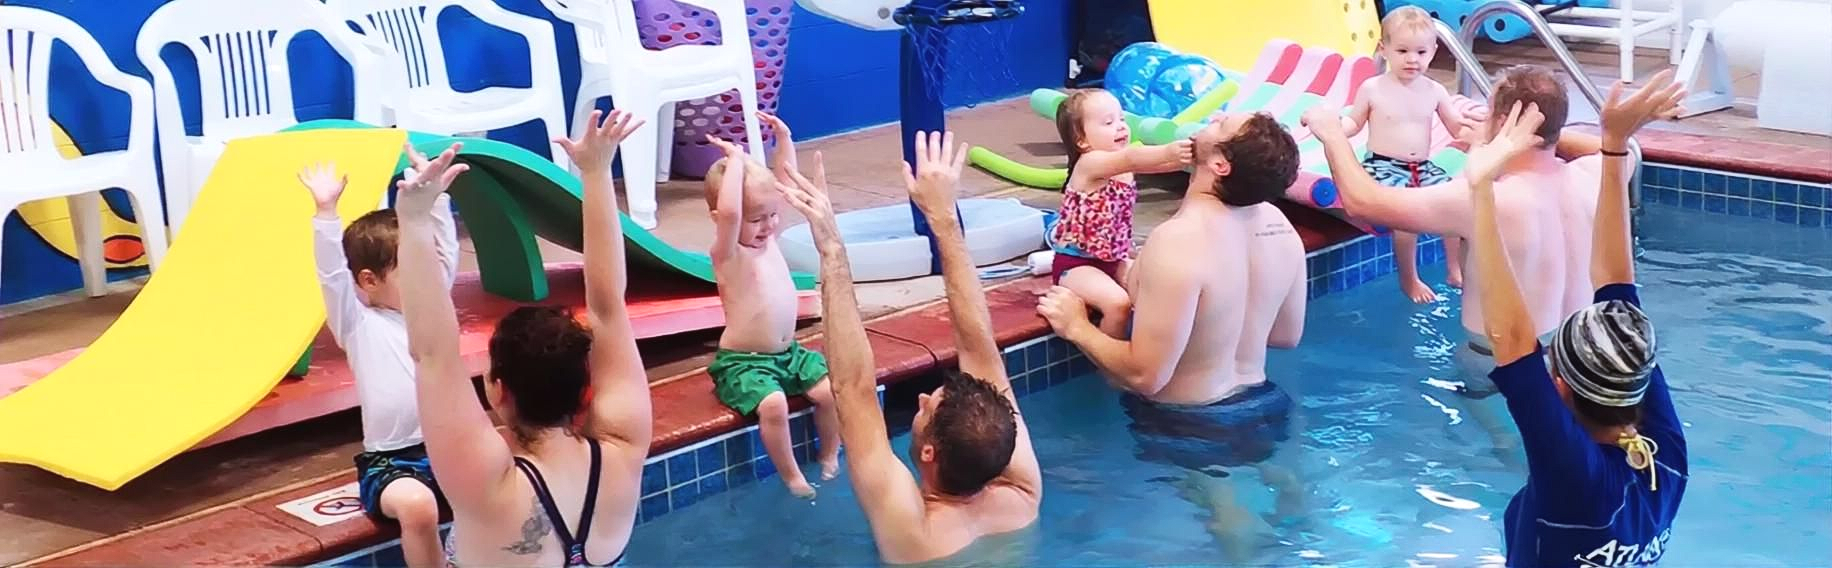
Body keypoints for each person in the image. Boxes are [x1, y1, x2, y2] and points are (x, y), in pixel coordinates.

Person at [1038, 110, 1307, 561]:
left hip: (1192, 420)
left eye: (1222, 125)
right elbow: (1285, 335)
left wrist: (1078, 327)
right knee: (1288, 504)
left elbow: (1146, 375)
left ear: (1220, 164)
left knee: (1229, 521)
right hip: (1265, 405)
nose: (1215, 116)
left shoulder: (1179, 240)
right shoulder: (1281, 228)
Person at [394, 109, 651, 567]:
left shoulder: (486, 483)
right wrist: (596, 172)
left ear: (499, 390)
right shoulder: (623, 446)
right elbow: (608, 307)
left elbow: (433, 353)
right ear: (584, 386)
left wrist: (414, 220)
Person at [775, 131, 1043, 564]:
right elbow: (981, 350)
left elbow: (852, 387)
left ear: (930, 453)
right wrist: (943, 219)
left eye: (927, 407)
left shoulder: (912, 533)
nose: (920, 397)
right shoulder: (1021, 498)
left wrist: (831, 248)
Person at [1461, 72, 1688, 566]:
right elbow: (1615, 288)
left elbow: (1515, 339)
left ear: (1559, 386)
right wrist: (1612, 148)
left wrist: (1481, 189)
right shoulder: (1665, 457)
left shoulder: (1574, 476)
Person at [1303, 63, 1620, 394]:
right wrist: (1542, 126)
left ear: (1503, 121)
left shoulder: (1481, 198)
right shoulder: (1596, 175)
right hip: (1581, 352)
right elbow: (1621, 150)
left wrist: (1332, 134)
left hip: (1497, 361)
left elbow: (1363, 202)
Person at [297, 164, 457, 568]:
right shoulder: (358, 325)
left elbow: (445, 250)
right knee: (419, 507)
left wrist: (435, 199)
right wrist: (326, 212)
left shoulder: (435, 307)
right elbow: (332, 276)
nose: (432, 276)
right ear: (369, 281)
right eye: (413, 269)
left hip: (452, 449)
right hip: (394, 463)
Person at [699, 112, 840, 498]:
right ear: (720, 219)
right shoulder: (728, 253)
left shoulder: (769, 239)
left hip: (788, 354)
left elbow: (785, 182)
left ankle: (829, 454)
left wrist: (784, 139)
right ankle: (792, 476)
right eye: (757, 219)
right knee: (774, 405)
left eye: (772, 216)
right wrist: (737, 161)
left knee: (830, 392)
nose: (768, 226)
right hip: (744, 361)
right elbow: (730, 213)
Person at [1337, 6, 1487, 303]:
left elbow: (1456, 126)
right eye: (1402, 50)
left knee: (1458, 203)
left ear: (1433, 51)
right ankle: (1409, 278)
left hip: (1422, 166)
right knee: (1407, 217)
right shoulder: (1373, 88)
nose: (1412, 59)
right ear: (1384, 50)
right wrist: (1335, 127)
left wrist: (1477, 133)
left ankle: (1454, 269)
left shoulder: (1434, 91)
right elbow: (1354, 123)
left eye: (1420, 52)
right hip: (1382, 166)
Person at [1048, 89, 1194, 336]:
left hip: (1113, 260)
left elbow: (1162, 165)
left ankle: (1146, 352)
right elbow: (1134, 157)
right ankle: (1105, 362)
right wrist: (1169, 150)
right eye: (1108, 122)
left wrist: (1192, 155)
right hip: (1076, 265)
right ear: (1081, 140)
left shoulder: (1120, 166)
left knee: (1157, 291)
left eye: (1122, 119)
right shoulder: (1090, 163)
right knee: (1117, 304)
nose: (1120, 127)